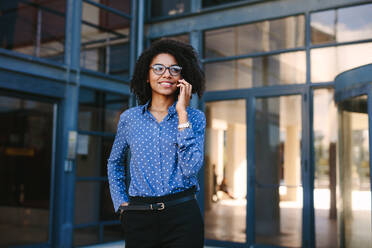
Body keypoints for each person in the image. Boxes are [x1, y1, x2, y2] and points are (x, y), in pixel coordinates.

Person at [107, 39, 206, 248]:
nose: (167, 74)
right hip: (139, 217)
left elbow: (191, 169)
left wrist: (182, 114)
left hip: (183, 216)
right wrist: (121, 204)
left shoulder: (194, 118)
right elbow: (114, 163)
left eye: (174, 69)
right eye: (159, 68)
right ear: (146, 75)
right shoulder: (129, 118)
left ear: (182, 78)